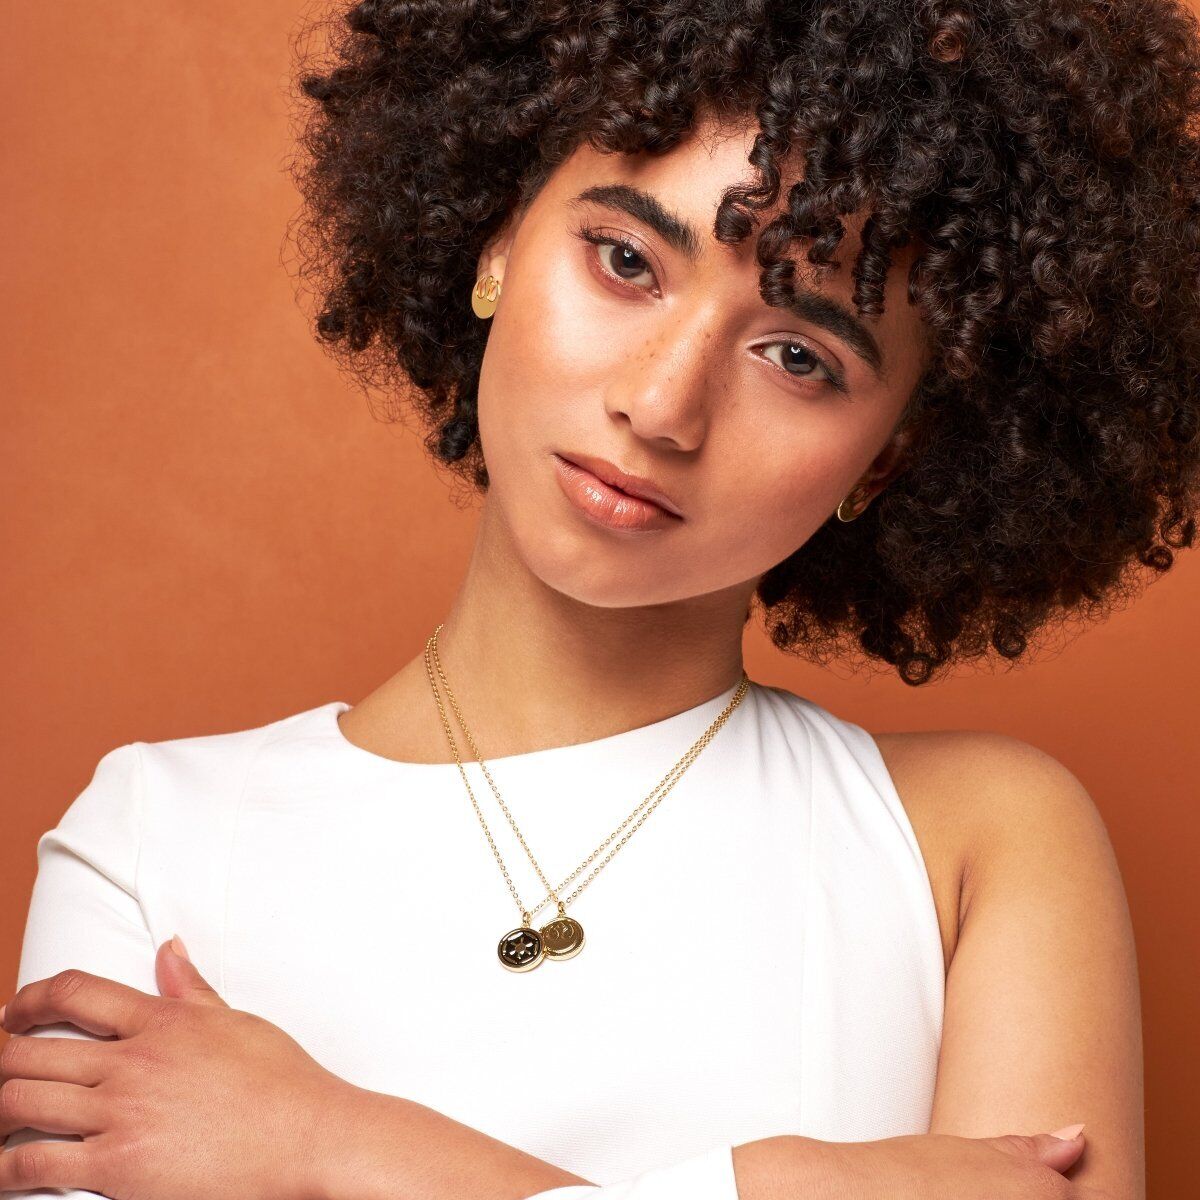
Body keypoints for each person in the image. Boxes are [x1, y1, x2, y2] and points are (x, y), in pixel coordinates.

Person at [3, 0, 1196, 1195]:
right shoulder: (150, 842)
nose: (663, 406)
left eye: (798, 356)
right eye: (627, 261)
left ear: (884, 460)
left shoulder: (978, 845)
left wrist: (332, 1146)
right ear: (498, 240)